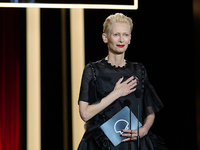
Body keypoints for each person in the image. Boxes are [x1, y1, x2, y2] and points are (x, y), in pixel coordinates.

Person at [78, 13, 167, 150]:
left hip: (135, 143)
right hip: (104, 144)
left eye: (125, 35)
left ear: (130, 39)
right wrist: (116, 93)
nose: (121, 40)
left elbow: (150, 112)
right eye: (116, 35)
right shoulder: (93, 70)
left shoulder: (139, 70)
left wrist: (143, 130)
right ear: (105, 37)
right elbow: (85, 114)